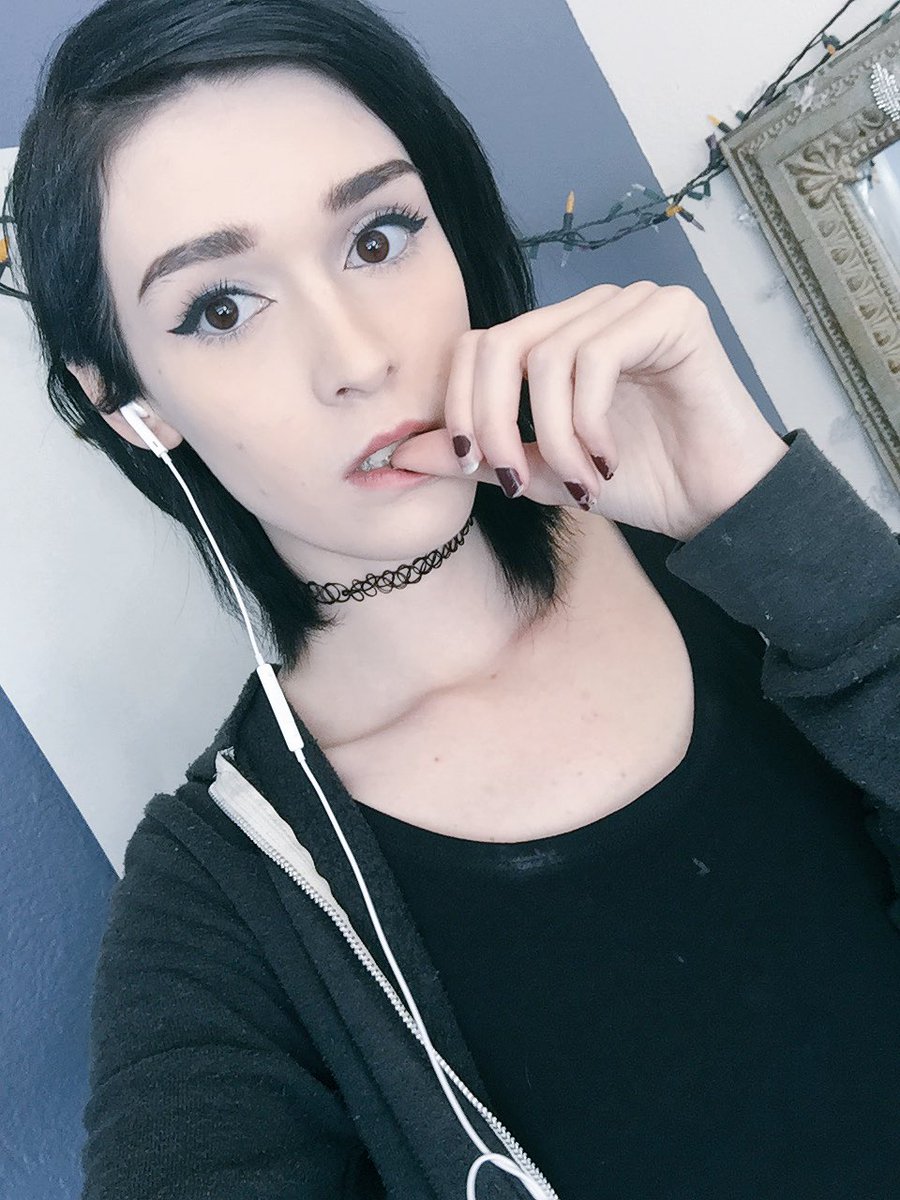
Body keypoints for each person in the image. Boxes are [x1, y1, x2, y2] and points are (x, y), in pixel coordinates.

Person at [5, 1, 900, 1197]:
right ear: (130, 404)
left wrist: (769, 516)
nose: (358, 357)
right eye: (221, 307)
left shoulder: (744, 576)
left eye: (379, 237)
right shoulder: (219, 910)